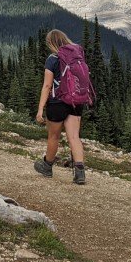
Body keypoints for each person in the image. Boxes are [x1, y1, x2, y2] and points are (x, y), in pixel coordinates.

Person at [34, 29, 87, 185]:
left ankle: (47, 166)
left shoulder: (52, 59)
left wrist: (40, 109)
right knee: (74, 137)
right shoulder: (77, 56)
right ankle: (80, 173)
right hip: (76, 102)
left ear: (52, 42)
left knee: (54, 136)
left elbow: (47, 85)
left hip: (57, 102)